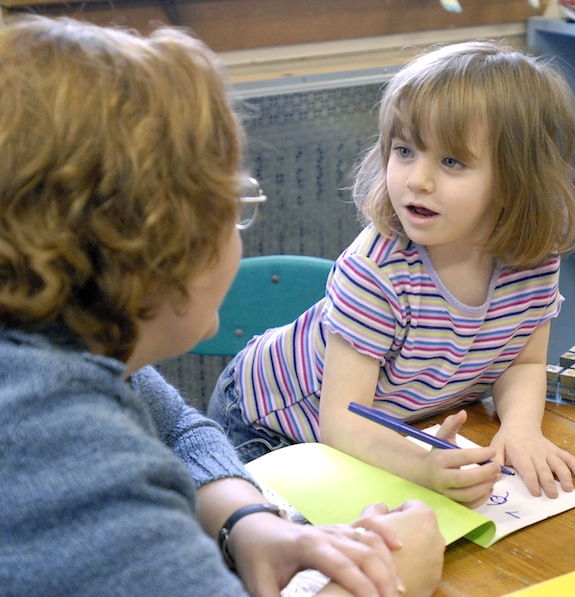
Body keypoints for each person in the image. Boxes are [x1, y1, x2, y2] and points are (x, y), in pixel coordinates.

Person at [0, 16, 444, 597]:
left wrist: (248, 524)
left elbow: (180, 430)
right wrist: (389, 581)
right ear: (156, 240)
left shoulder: (59, 346)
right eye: (230, 204)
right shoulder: (66, 449)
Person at [208, 40, 575, 508]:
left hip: (397, 426)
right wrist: (422, 468)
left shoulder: (533, 261)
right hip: (273, 425)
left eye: (451, 161)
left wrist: (519, 428)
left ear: (517, 180)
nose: (417, 180)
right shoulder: (377, 270)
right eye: (404, 150)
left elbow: (523, 362)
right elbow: (343, 421)